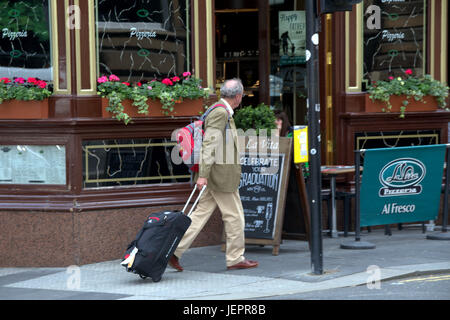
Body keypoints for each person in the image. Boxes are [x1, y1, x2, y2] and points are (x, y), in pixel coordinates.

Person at [169, 78, 259, 271]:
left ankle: (173, 250)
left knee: (199, 215)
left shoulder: (218, 109)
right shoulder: (220, 113)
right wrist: (203, 175)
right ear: (238, 96)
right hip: (220, 177)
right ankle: (235, 258)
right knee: (235, 216)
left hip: (214, 175)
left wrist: (204, 174)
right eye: (241, 95)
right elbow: (210, 144)